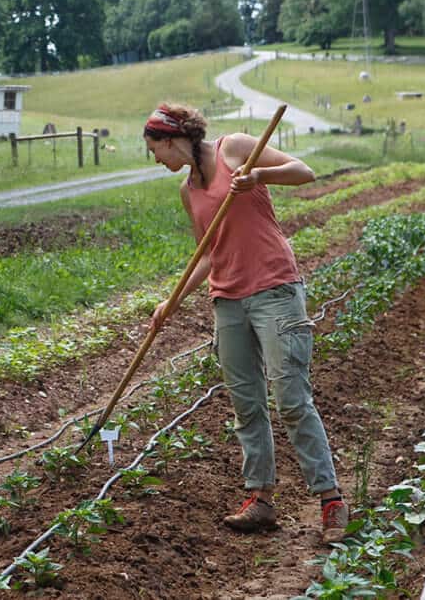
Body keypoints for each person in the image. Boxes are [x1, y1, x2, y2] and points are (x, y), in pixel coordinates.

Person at [144, 103, 348, 545]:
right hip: (228, 301)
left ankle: (331, 500)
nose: (155, 159)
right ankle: (260, 499)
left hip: (274, 289)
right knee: (246, 404)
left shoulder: (234, 149)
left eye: (154, 149)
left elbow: (304, 171)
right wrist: (172, 301)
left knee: (291, 398)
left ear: (172, 138)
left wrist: (259, 178)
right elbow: (208, 254)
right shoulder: (187, 191)